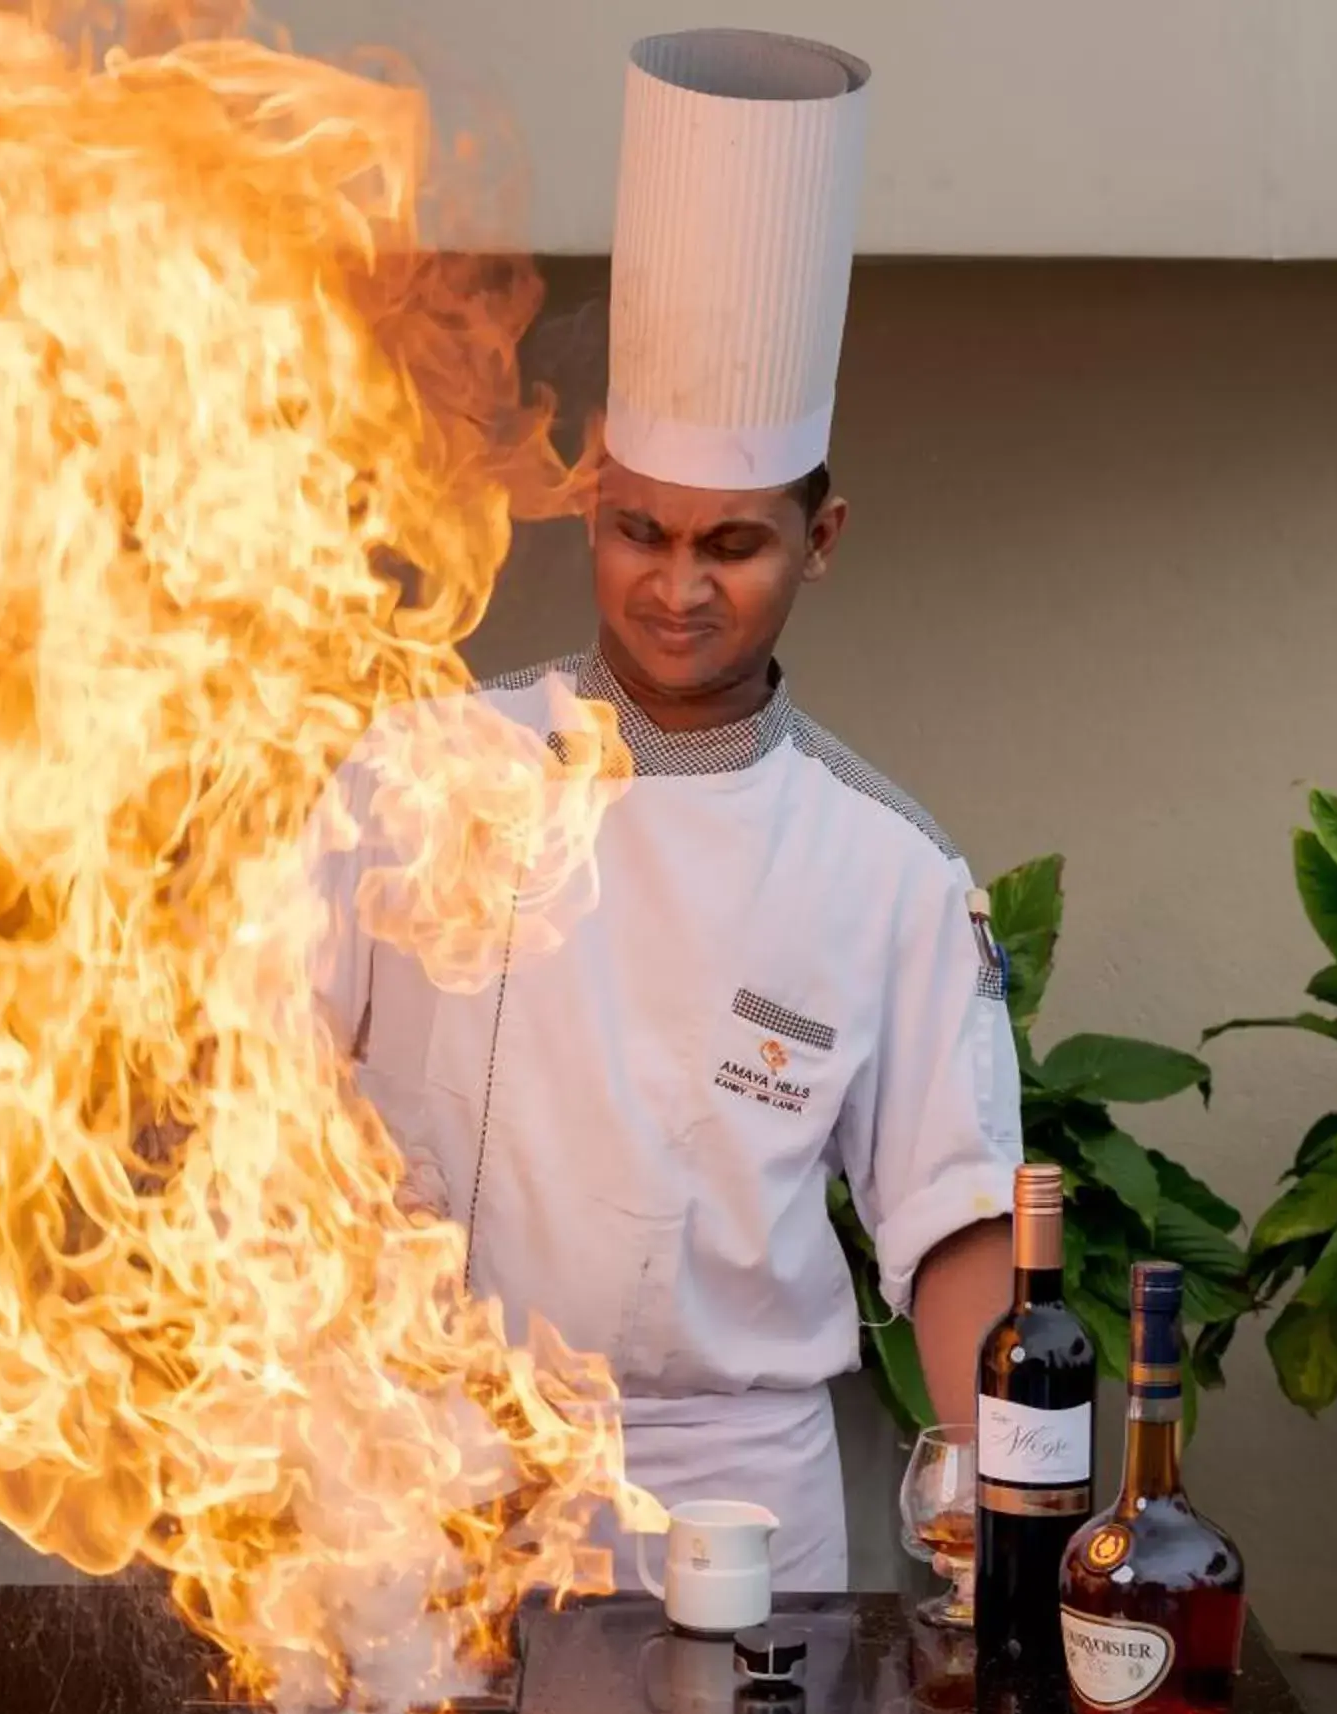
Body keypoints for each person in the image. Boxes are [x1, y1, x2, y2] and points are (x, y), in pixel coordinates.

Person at [313, 27, 1021, 1592]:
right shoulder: (417, 775)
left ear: (819, 539)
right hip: (426, 1465)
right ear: (589, 505)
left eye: (733, 545)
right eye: (640, 530)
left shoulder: (887, 870)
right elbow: (270, 1089)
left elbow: (956, 1228)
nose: (678, 586)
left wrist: (1010, 1534)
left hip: (730, 1500)